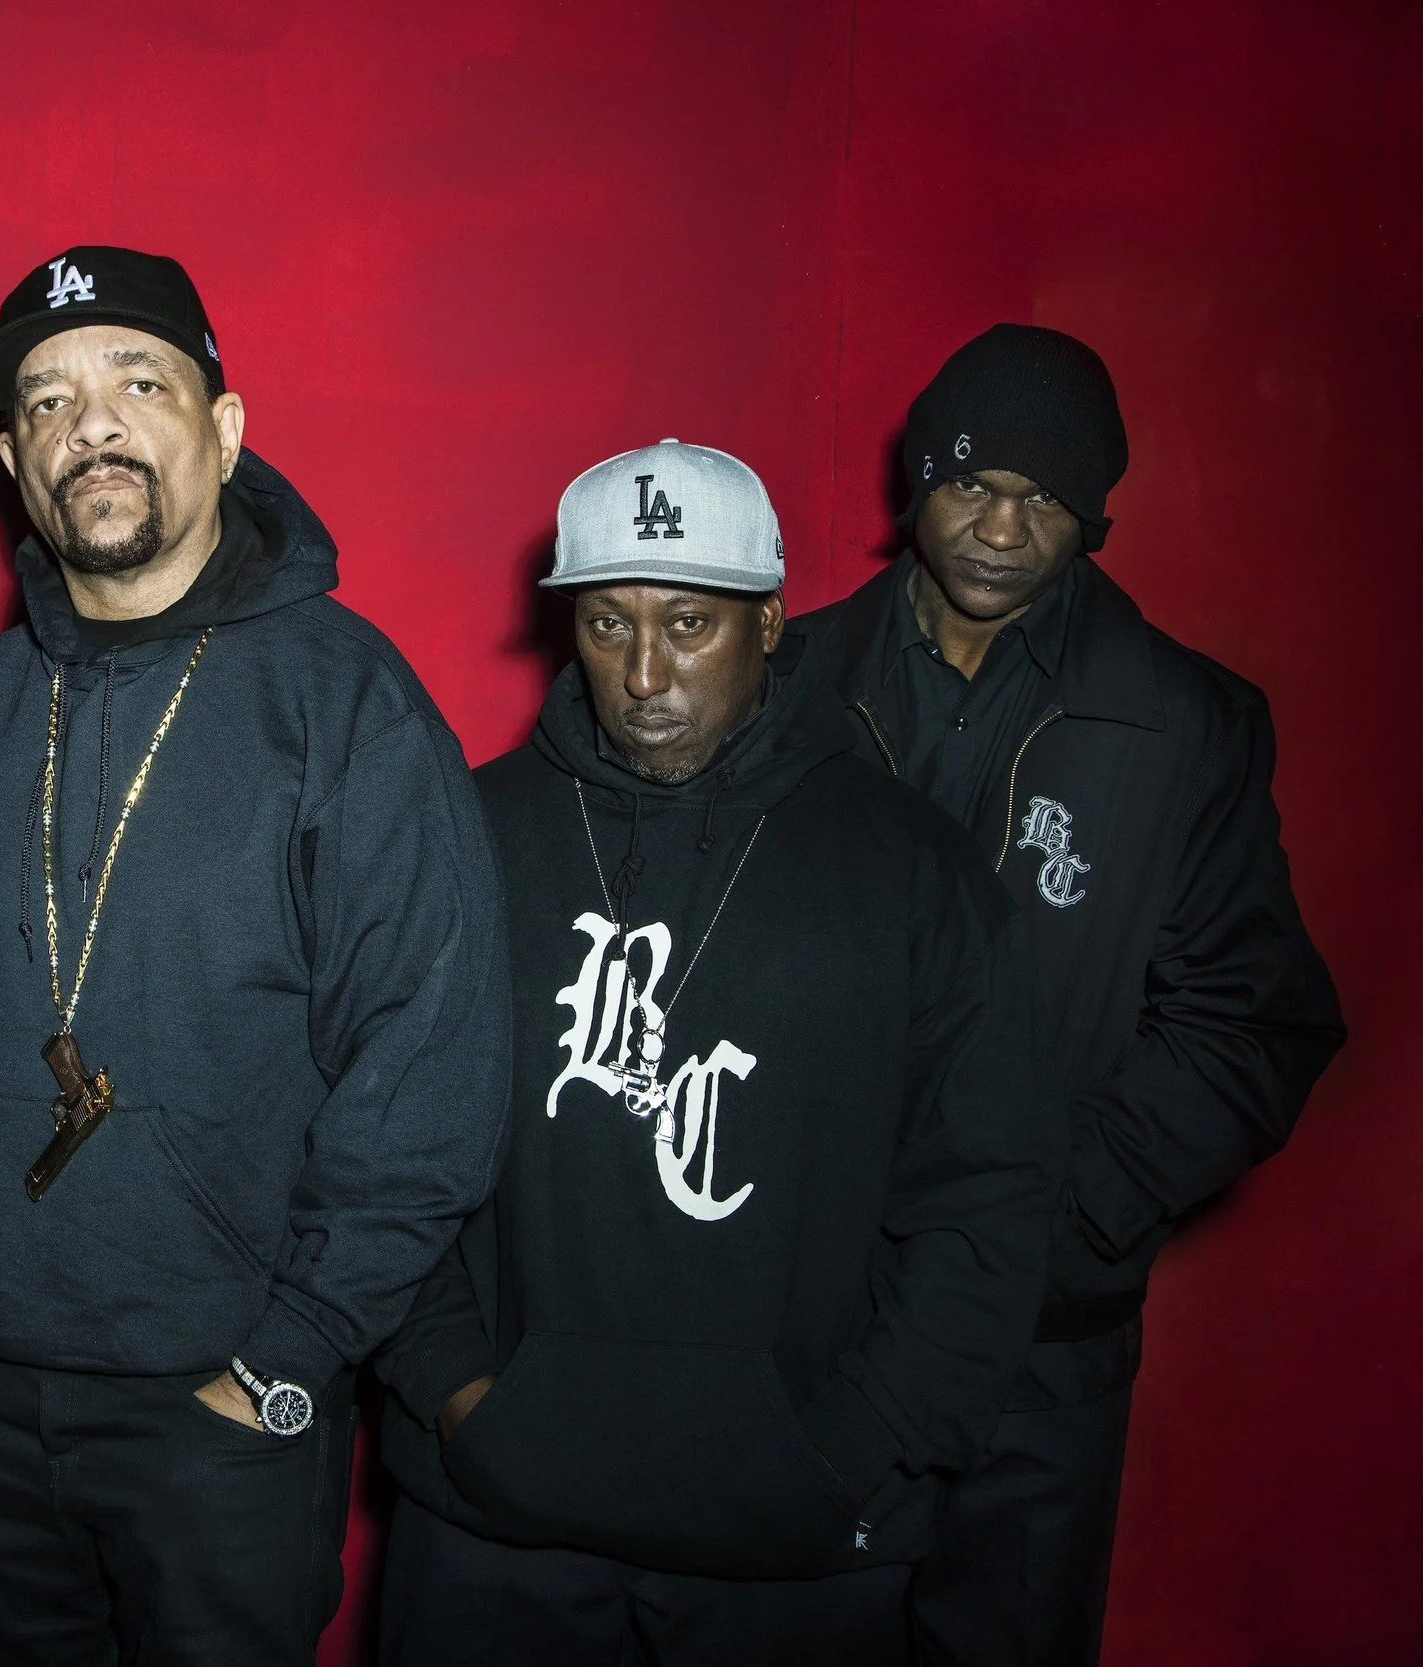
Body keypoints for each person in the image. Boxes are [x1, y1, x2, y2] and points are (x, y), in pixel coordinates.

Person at [0, 245, 511, 1664]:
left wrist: (289, 1352)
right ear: (14, 464)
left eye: (137, 381)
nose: (89, 423)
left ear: (225, 427)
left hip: (225, 1396)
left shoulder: (349, 705)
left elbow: (432, 1068)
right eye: (45, 401)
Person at [374, 439, 1065, 1664]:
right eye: (608, 623)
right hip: (494, 1518)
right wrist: (456, 1392)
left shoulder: (911, 866)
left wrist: (860, 1440)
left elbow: (991, 1189)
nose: (644, 673)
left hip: (798, 1539)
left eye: (689, 623)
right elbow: (374, 1144)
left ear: (770, 621)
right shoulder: (463, 836)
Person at [782, 325, 1345, 1665]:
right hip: (796, 1320)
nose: (999, 527)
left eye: (1043, 498)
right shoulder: (778, 684)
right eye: (973, 483)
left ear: (1094, 517)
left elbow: (1255, 1023)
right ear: (918, 480)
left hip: (1036, 1351)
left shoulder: (1184, 724)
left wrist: (1049, 1208)